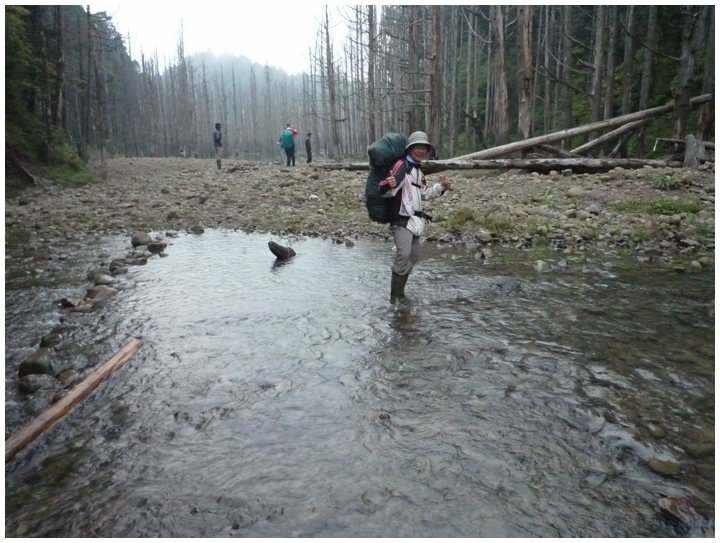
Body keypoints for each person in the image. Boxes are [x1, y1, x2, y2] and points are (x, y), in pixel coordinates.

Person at [379, 131, 453, 305]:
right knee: (403, 255)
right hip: (401, 219)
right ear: (409, 149)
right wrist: (387, 185)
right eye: (417, 147)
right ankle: (394, 298)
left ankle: (401, 294)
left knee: (413, 256)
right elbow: (387, 190)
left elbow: (424, 194)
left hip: (415, 221)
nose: (420, 151)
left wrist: (440, 187)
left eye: (423, 148)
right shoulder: (400, 166)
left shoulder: (419, 173)